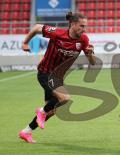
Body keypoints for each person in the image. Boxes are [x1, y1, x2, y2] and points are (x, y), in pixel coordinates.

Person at [19, 12, 96, 143]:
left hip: (57, 77)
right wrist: (25, 42)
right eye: (82, 26)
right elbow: (37, 27)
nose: (84, 29)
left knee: (52, 111)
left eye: (85, 26)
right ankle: (41, 111)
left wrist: (89, 54)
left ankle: (26, 131)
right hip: (45, 73)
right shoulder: (57, 33)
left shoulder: (83, 39)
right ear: (73, 24)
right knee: (64, 98)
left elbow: (93, 62)